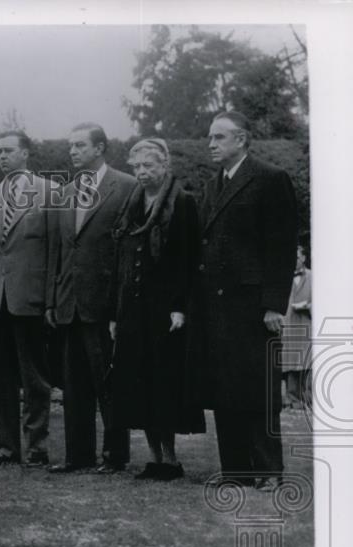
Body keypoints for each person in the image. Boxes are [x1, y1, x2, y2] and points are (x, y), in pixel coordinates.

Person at [194, 111, 298, 491]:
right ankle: (236, 469)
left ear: (241, 139)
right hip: (217, 307)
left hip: (254, 307)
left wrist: (274, 304)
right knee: (225, 389)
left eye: (219, 137)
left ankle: (270, 469)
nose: (211, 144)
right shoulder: (211, 186)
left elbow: (282, 247)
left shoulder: (270, 179)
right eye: (209, 138)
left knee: (259, 389)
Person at [108, 138, 206, 480]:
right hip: (133, 309)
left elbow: (188, 259)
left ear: (165, 166)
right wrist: (114, 314)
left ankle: (171, 459)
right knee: (139, 382)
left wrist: (180, 307)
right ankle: (152, 457)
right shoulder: (131, 204)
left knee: (165, 382)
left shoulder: (182, 202)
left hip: (165, 310)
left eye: (148, 165)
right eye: (136, 167)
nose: (142, 172)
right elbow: (120, 259)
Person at [46, 122, 136, 474]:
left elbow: (128, 251)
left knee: (109, 383)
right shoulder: (64, 194)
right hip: (69, 303)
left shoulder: (126, 186)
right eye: (70, 146)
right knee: (73, 386)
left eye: (80, 145)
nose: (72, 151)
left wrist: (120, 305)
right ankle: (77, 455)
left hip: (105, 304)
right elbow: (59, 251)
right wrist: (52, 300)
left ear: (99, 148)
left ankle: (115, 455)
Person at [0, 130, 56, 466]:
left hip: (31, 301)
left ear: (25, 154)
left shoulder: (50, 193)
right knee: (0, 378)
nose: (2, 156)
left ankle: (37, 447)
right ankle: (7, 448)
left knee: (35, 379)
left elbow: (55, 253)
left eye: (8, 151)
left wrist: (50, 301)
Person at [282, 236, 312, 409]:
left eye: (297, 257)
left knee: (307, 363)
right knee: (289, 364)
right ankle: (292, 399)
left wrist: (308, 305)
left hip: (306, 323)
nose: (294, 261)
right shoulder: (283, 276)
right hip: (289, 325)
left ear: (304, 258)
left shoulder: (314, 276)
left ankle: (308, 399)